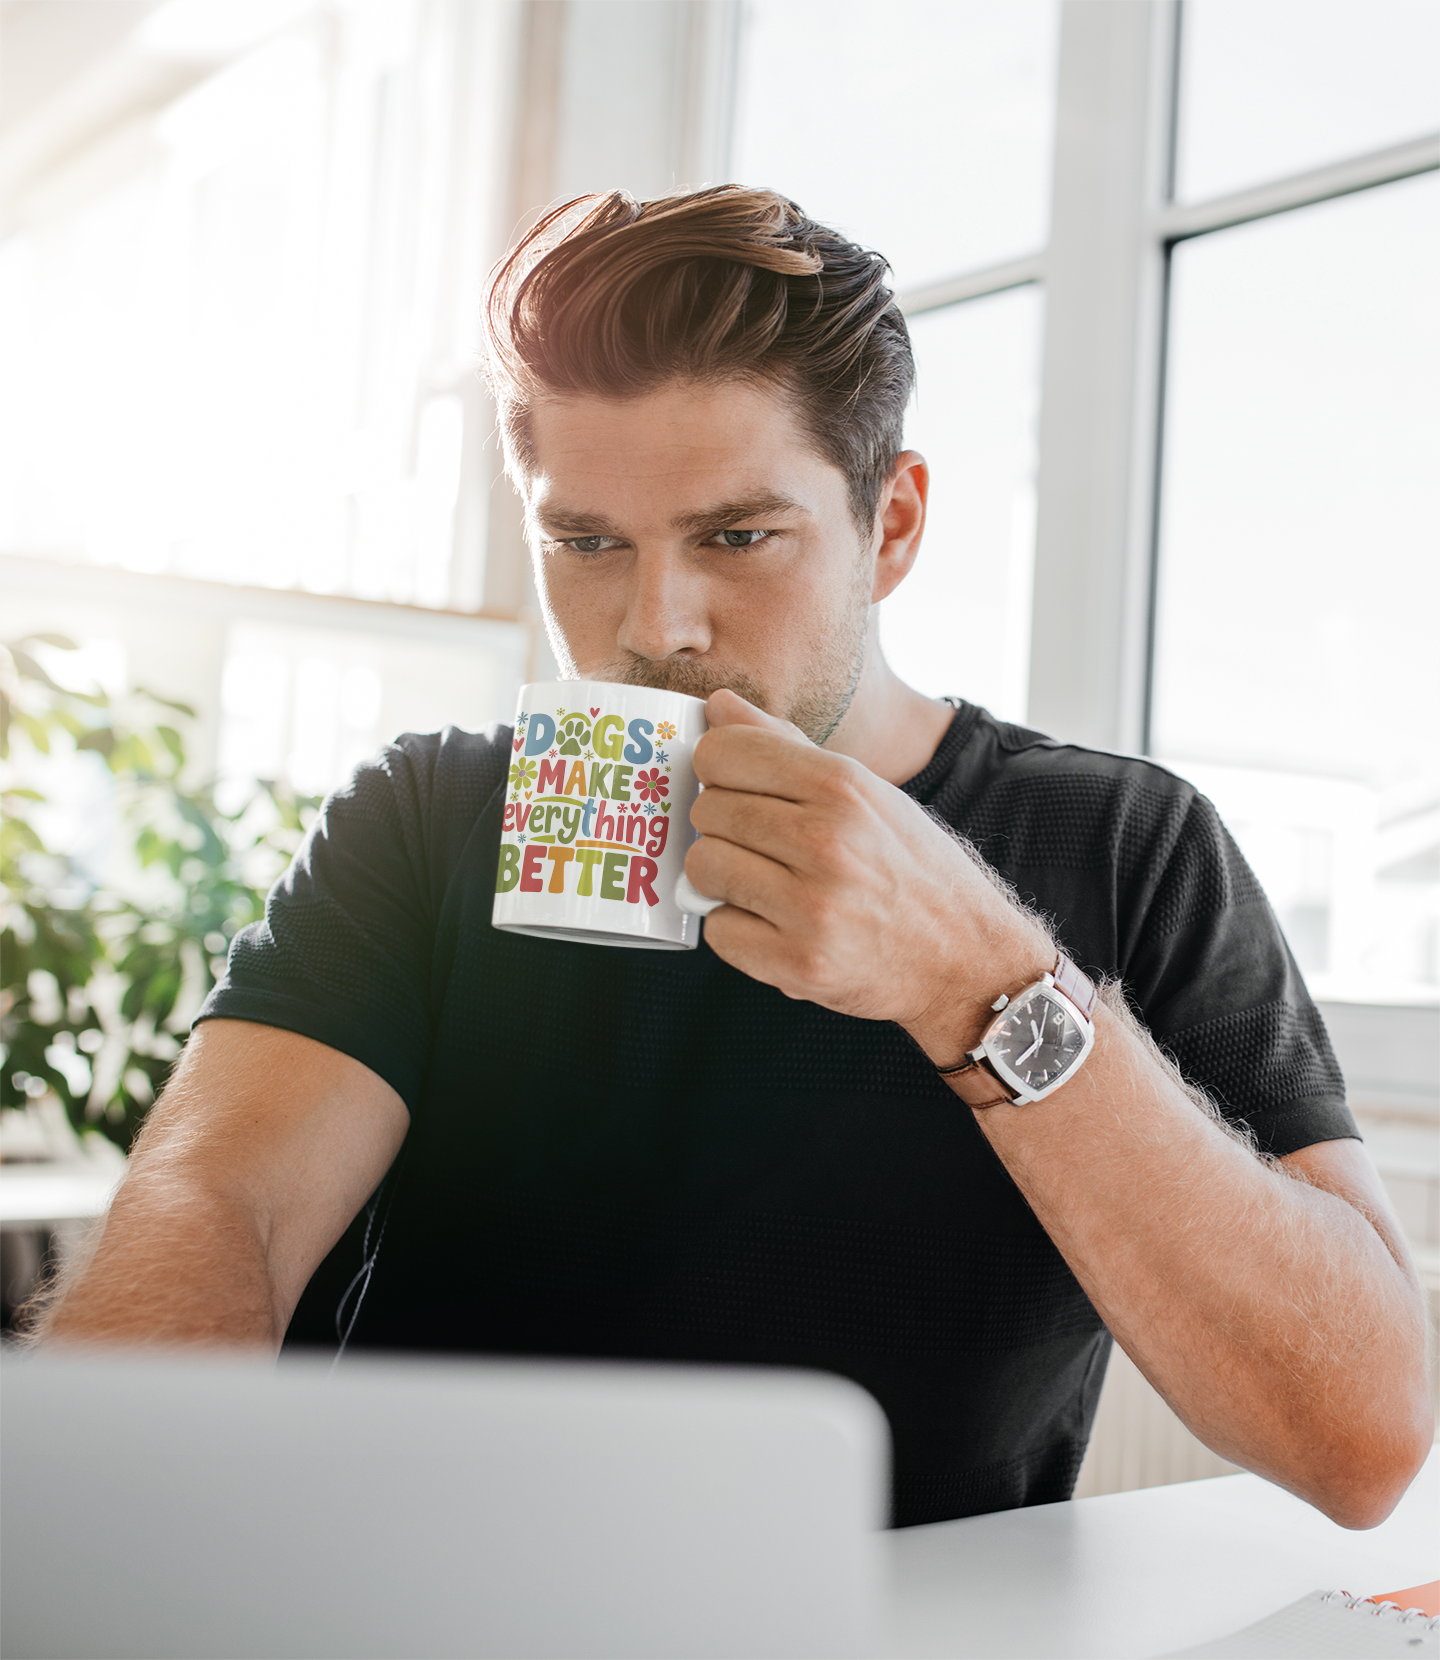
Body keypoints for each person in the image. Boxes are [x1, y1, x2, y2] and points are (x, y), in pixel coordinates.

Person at [36, 186, 1430, 1529]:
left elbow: (1360, 1443)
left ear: (891, 527)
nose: (659, 626)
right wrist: (112, 1537)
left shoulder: (1123, 844)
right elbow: (221, 1205)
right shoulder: (435, 814)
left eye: (739, 536)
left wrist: (984, 983)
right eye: (584, 541)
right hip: (429, 1611)